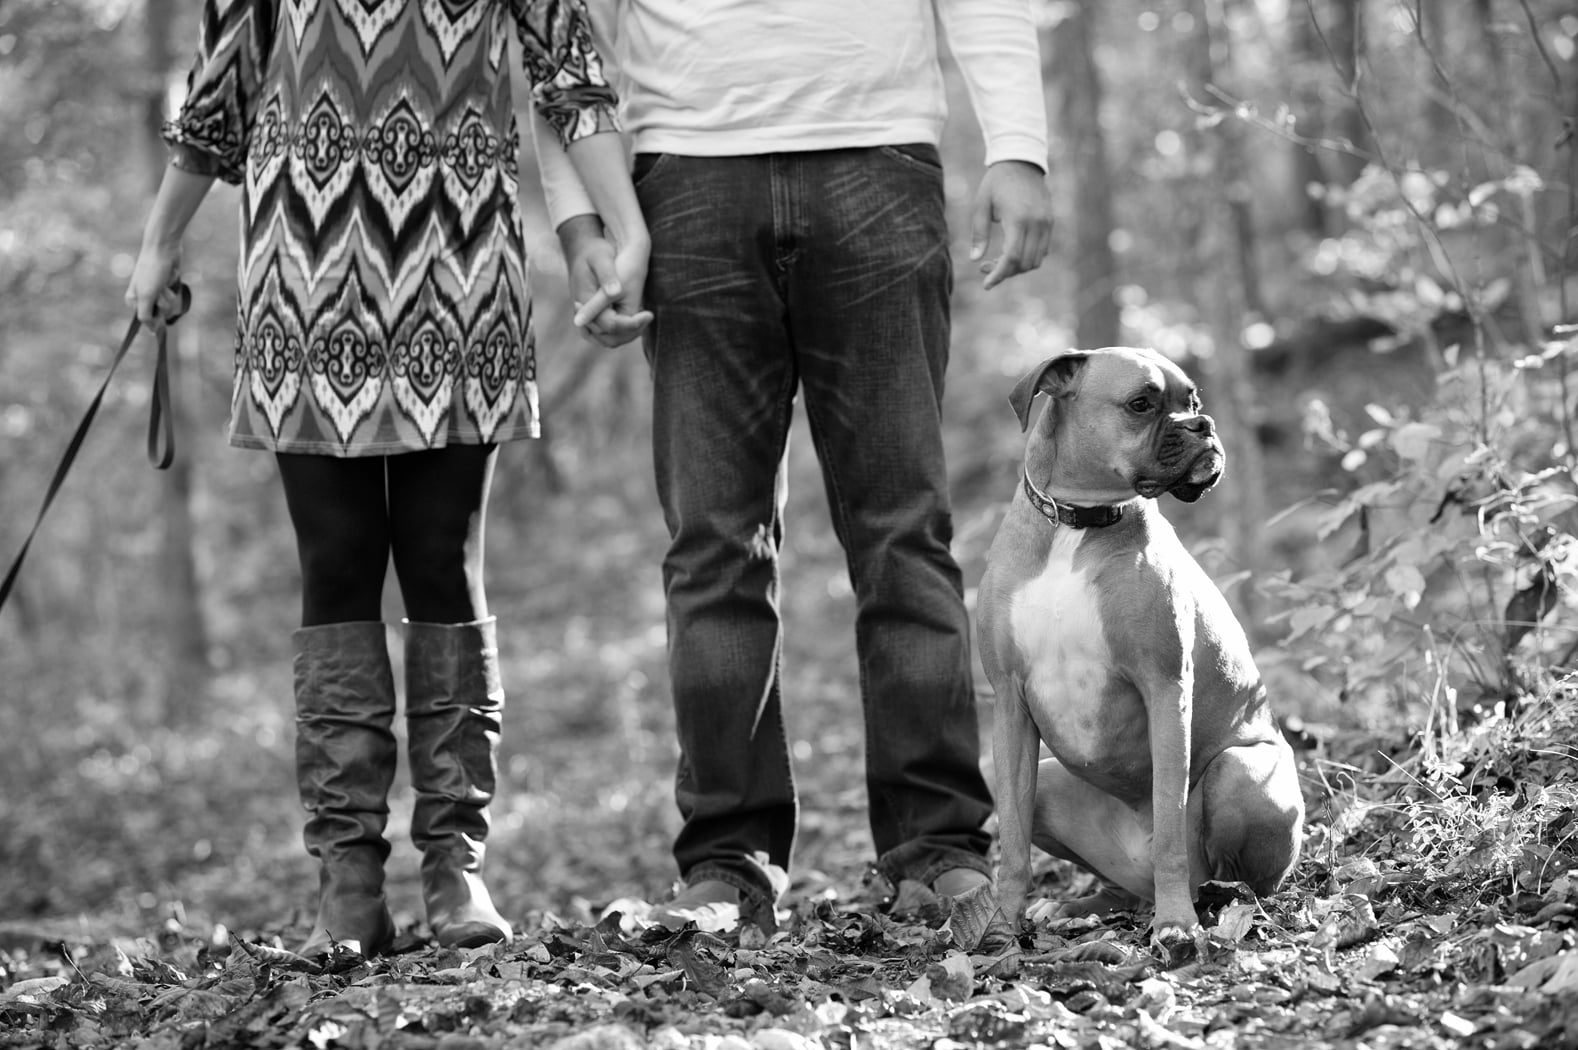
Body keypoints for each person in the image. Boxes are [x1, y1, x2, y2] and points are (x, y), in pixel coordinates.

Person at [127, 0, 649, 956]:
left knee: (444, 561)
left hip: (461, 275)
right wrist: (160, 241)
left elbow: (572, 80)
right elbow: (219, 96)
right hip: (303, 275)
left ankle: (456, 868)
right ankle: (349, 882)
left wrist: (624, 233)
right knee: (336, 561)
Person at [534, 0, 1053, 923]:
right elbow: (552, 24)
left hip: (878, 159)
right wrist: (579, 218)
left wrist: (1017, 145)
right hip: (682, 178)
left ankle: (936, 843)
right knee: (714, 544)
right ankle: (728, 860)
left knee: (904, 531)